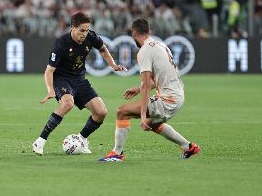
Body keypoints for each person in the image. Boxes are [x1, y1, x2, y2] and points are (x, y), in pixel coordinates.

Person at [99, 18, 200, 162]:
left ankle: (117, 153)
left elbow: (146, 84)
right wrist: (138, 89)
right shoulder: (160, 45)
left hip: (168, 99)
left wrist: (142, 114)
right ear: (148, 31)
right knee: (151, 125)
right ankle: (188, 147)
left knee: (122, 111)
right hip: (178, 96)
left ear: (134, 33)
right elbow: (155, 79)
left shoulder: (144, 51)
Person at [32, 11, 127, 155]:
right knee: (67, 104)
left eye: (87, 30)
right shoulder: (62, 43)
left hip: (79, 79)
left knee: (101, 112)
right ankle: (40, 140)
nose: (85, 34)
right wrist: (50, 90)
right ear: (73, 27)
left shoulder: (90, 37)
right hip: (61, 79)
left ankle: (81, 139)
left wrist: (113, 65)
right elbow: (49, 71)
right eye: (82, 30)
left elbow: (102, 48)